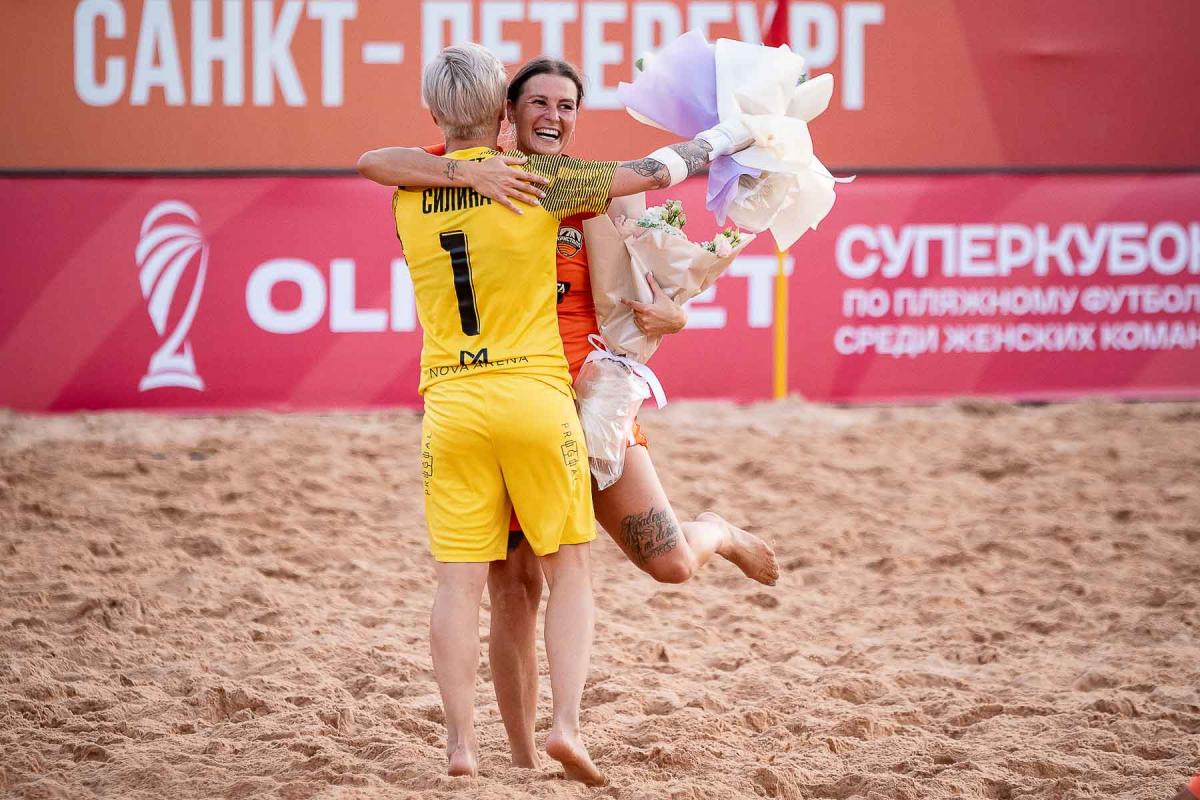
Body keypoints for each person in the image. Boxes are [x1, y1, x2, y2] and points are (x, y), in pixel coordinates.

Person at [376, 44, 765, 784]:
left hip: (553, 398)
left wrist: (673, 314)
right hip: (533, 398)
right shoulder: (529, 182)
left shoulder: (574, 189)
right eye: (538, 103)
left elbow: (666, 281)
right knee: (517, 587)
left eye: (567, 105)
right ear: (505, 113)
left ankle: (717, 532)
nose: (553, 115)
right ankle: (530, 756)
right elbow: (661, 167)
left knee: (667, 562)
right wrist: (738, 133)